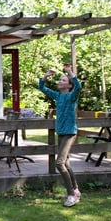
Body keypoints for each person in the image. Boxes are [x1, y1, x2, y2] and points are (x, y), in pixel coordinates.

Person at [38, 63, 82, 207]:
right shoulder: (58, 96)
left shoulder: (72, 96)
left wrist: (69, 72)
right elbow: (42, 88)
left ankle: (71, 194)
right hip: (61, 132)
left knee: (59, 163)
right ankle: (76, 190)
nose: (60, 81)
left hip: (69, 132)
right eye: (60, 79)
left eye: (63, 80)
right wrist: (45, 76)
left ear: (69, 85)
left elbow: (78, 87)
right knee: (66, 163)